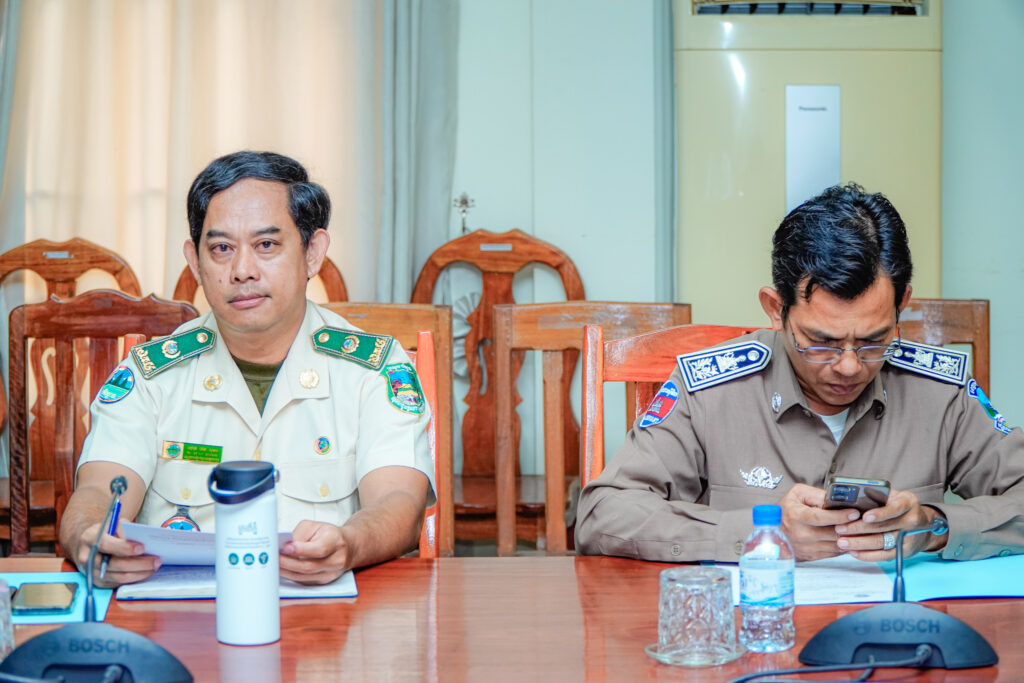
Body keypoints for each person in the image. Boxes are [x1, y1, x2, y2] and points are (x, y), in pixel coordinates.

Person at [576, 183, 1024, 564]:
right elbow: (603, 514)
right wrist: (762, 534)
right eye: (821, 342)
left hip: (896, 634)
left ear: (901, 304)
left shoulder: (939, 391)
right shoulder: (712, 389)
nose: (849, 366)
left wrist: (936, 526)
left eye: (873, 340)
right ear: (776, 309)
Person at [60, 151, 435, 586]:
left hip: (329, 612)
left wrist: (350, 544)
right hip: (177, 614)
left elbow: (398, 502)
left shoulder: (372, 369)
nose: (242, 271)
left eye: (266, 245)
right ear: (195, 262)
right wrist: (87, 535)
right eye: (221, 248)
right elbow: (98, 489)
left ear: (313, 253)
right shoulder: (152, 375)